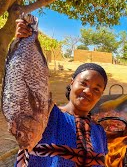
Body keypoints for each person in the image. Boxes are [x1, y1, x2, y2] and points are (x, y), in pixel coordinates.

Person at [14, 19, 108, 166]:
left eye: (96, 89)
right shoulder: (48, 116)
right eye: (83, 83)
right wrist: (24, 46)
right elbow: (27, 90)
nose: (88, 91)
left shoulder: (99, 132)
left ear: (100, 95)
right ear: (72, 83)